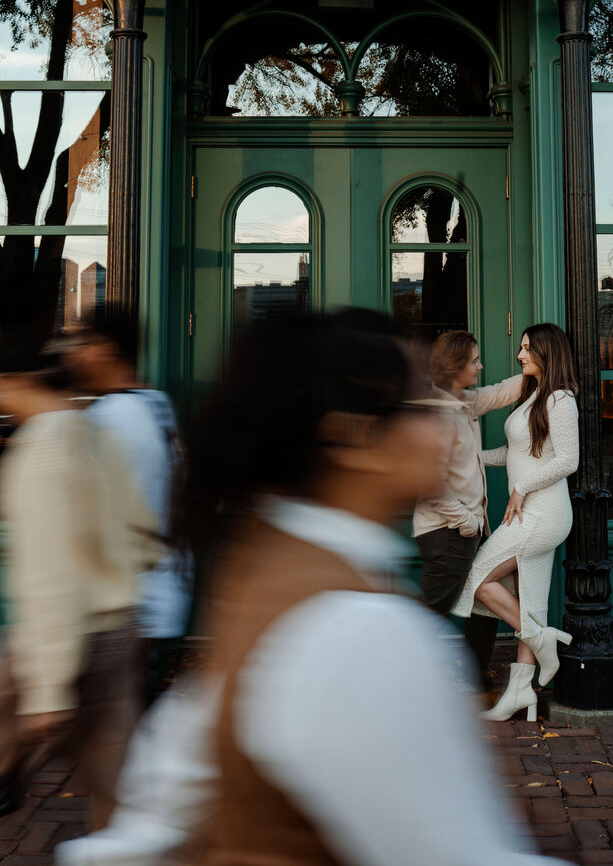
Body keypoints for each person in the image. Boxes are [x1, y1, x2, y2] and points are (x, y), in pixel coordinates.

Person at [56, 310, 563, 866]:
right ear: (354, 436)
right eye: (415, 407)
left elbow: (151, 820)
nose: (438, 426)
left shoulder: (261, 574)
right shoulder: (364, 632)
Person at [0, 331, 161, 829]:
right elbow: (145, 535)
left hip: (68, 642)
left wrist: (47, 690)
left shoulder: (38, 454)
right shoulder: (91, 432)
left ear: (14, 380)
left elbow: (50, 576)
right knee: (116, 794)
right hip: (119, 627)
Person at [452, 323, 578, 722]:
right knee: (532, 602)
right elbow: (516, 452)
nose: (520, 355)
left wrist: (522, 487)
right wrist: (473, 459)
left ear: (546, 352)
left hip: (544, 513)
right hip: (527, 512)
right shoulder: (533, 395)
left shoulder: (560, 399)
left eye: (527, 349)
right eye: (521, 348)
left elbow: (567, 461)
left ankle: (542, 641)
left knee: (477, 578)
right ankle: (521, 691)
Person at [65, 312, 193, 702]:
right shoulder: (155, 403)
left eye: (83, 344)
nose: (75, 354)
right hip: (157, 591)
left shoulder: (108, 420)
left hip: (124, 601)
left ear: (107, 350)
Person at [413, 330, 522, 688]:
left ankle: (474, 678)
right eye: (474, 360)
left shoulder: (462, 403)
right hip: (446, 533)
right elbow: (431, 484)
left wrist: (544, 365)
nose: (480, 365)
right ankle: (402, 680)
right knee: (430, 614)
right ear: (457, 366)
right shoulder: (439, 414)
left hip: (464, 529)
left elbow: (502, 391)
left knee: (484, 603)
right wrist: (468, 524)